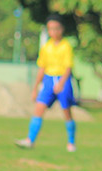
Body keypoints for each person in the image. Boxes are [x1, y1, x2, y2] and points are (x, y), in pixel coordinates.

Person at [16, 14, 78, 152]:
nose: (54, 32)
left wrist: (61, 83)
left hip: (63, 80)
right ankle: (30, 140)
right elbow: (42, 68)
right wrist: (35, 87)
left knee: (66, 112)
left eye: (56, 28)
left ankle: (71, 142)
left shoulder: (66, 46)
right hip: (49, 80)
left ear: (61, 29)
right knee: (38, 109)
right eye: (51, 29)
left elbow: (68, 67)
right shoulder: (46, 47)